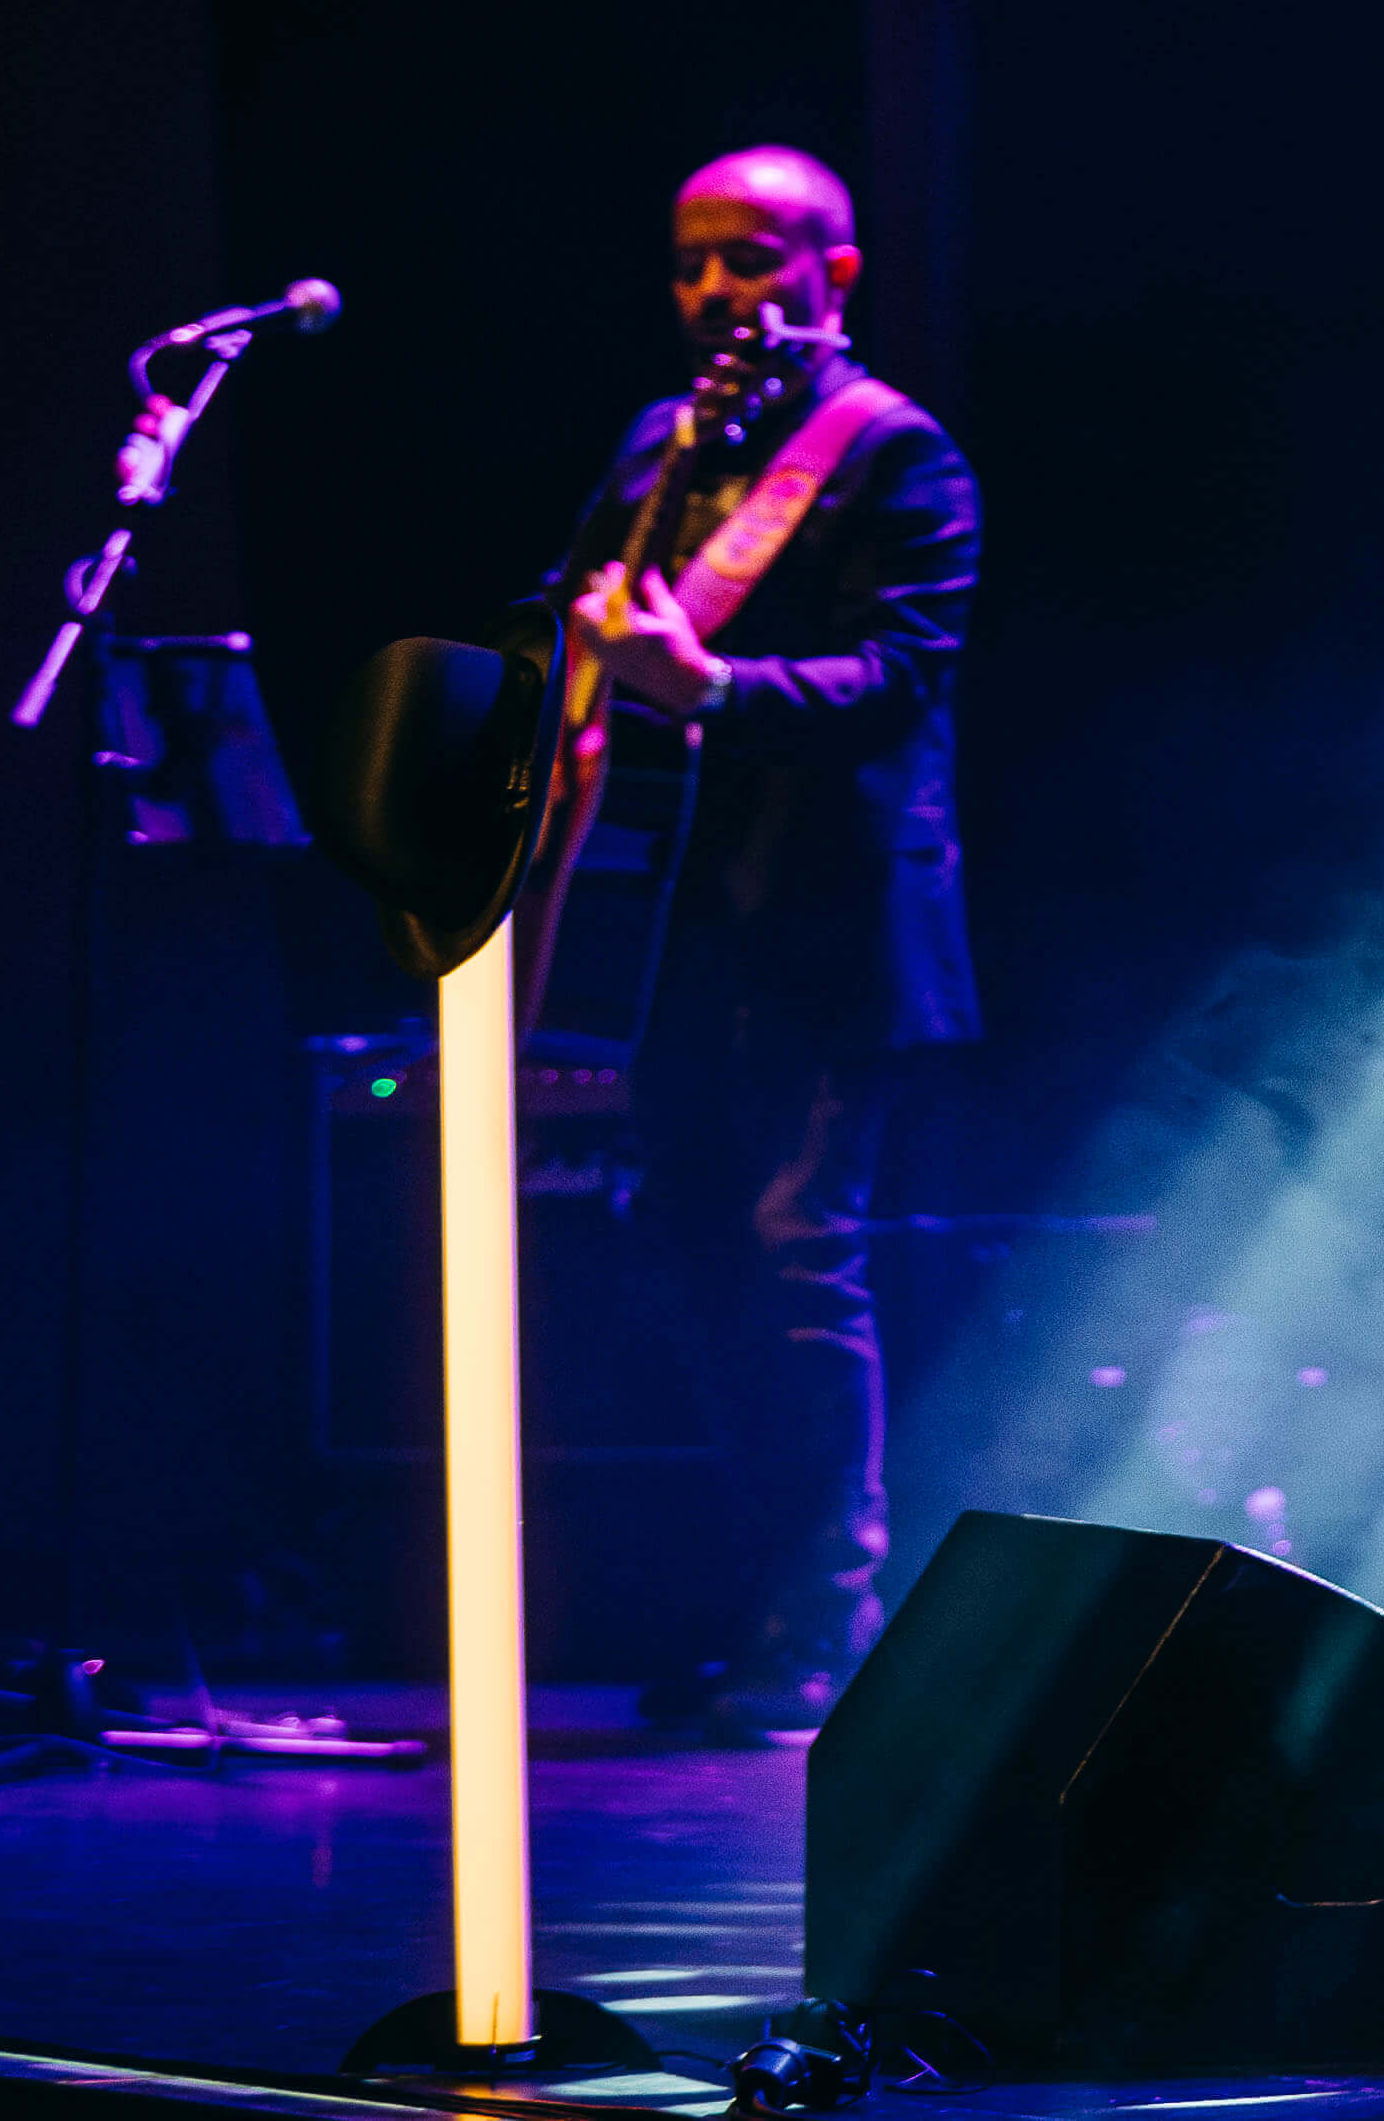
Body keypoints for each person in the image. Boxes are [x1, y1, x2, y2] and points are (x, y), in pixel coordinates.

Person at [558, 144, 980, 1745]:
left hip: (829, 929)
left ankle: (828, 1620)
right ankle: (752, 1604)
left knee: (803, 1252)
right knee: (691, 1259)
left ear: (835, 271)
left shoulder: (895, 455)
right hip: (666, 926)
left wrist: (710, 683)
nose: (719, 292)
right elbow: (571, 617)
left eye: (752, 258)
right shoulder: (658, 446)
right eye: (692, 264)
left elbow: (900, 678)